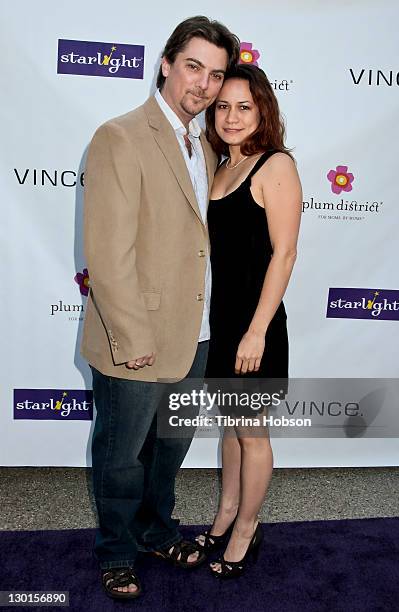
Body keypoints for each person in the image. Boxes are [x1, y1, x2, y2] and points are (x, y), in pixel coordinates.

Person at [81, 16, 240, 599]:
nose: (202, 83)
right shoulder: (120, 136)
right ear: (167, 63)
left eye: (216, 74)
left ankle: (154, 528)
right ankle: (116, 551)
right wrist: (131, 335)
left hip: (192, 335)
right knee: (122, 455)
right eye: (194, 66)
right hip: (137, 334)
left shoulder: (205, 143)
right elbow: (108, 251)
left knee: (170, 446)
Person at [196, 64, 302, 578]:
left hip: (255, 329)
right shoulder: (219, 168)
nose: (231, 117)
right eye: (223, 106)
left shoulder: (275, 166)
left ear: (262, 110)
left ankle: (245, 531)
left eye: (244, 106)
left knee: (252, 434)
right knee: (233, 432)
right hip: (222, 326)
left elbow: (284, 255)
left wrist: (257, 330)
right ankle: (224, 516)